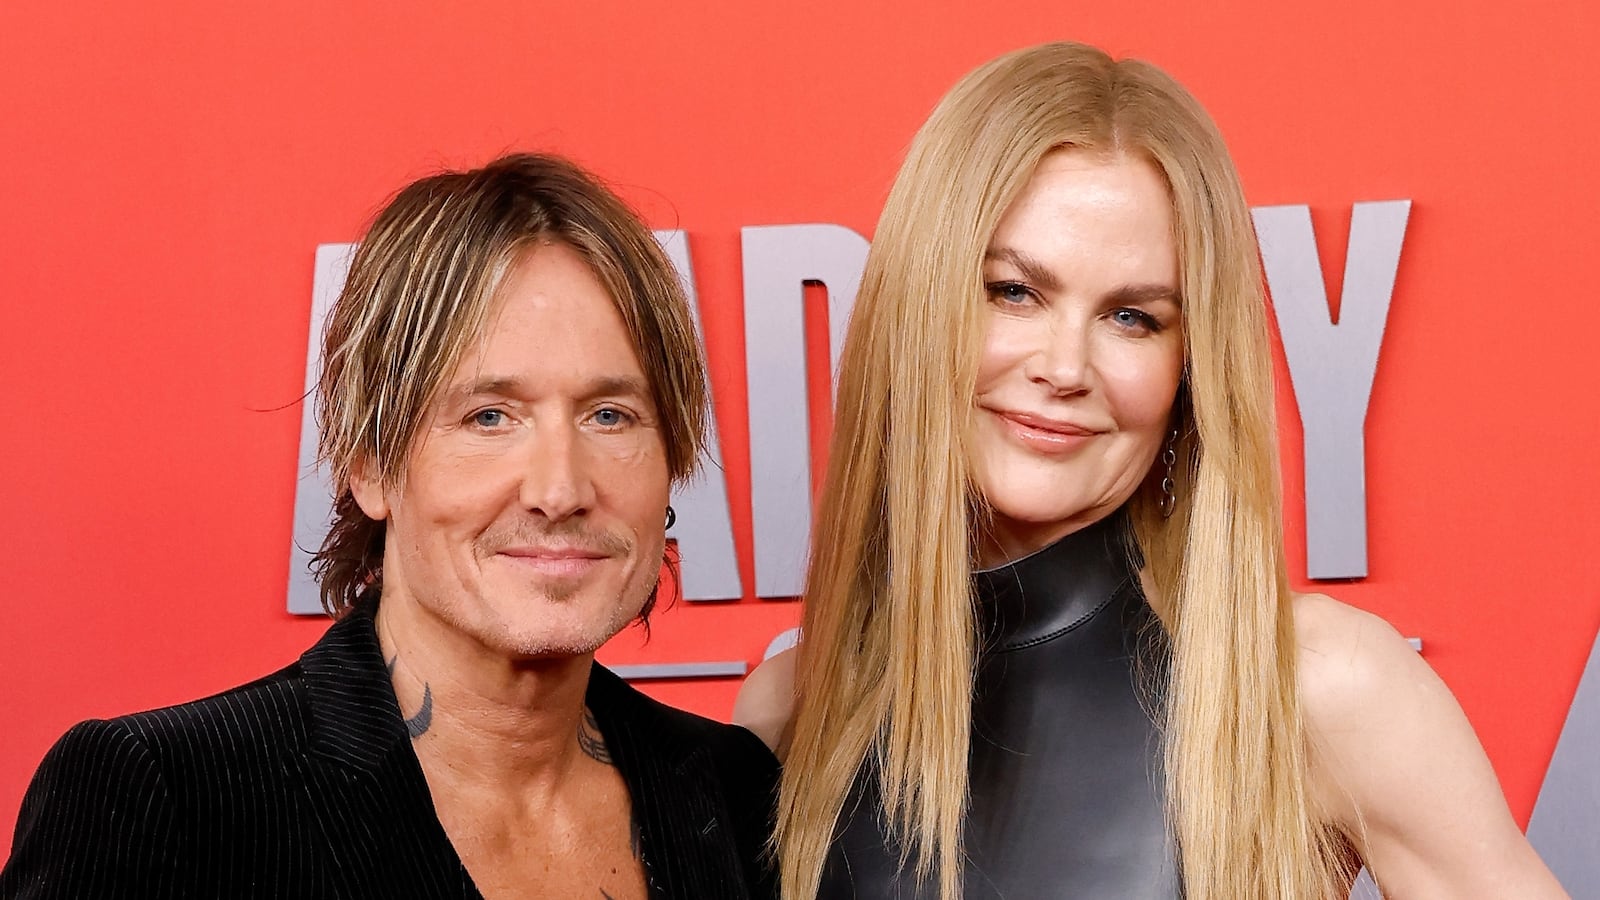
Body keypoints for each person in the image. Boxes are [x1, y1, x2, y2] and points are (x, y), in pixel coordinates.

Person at [733, 42, 1567, 899]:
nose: (1065, 366)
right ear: (919, 310)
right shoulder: (790, 717)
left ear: (1189, 374)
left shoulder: (1316, 688)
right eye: (1013, 291)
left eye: (1133, 317)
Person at [3, 153, 778, 899]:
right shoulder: (166, 798)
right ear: (370, 461)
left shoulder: (735, 792)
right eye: (489, 416)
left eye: (610, 415)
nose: (559, 488)